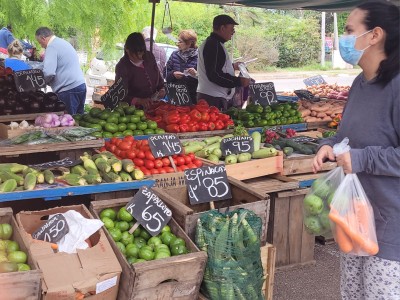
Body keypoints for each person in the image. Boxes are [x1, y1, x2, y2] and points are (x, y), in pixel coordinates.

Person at [313, 2, 399, 299]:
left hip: (390, 230)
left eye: (350, 31)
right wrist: (328, 145)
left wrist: (361, 159)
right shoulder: (360, 84)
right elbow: (348, 136)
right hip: (354, 221)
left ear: (375, 35)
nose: (344, 39)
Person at [197, 14, 250, 110]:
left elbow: (214, 66)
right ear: (222, 28)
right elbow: (214, 74)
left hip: (213, 95)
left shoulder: (215, 43)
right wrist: (238, 81)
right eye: (232, 28)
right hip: (213, 98)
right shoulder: (213, 45)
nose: (233, 32)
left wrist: (232, 66)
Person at [35, 27, 86, 115]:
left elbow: (48, 72)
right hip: (80, 86)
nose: (41, 45)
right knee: (79, 121)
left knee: (68, 123)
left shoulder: (52, 47)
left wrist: (41, 84)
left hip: (68, 90)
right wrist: (34, 69)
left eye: (40, 42)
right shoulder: (62, 42)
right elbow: (45, 64)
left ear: (43, 38)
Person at [115, 32, 165, 110]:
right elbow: (120, 94)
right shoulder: (122, 67)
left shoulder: (149, 57)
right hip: (133, 111)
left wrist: (162, 89)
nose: (140, 56)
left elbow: (158, 77)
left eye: (141, 53)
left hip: (153, 106)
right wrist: (138, 100)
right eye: (136, 54)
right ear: (127, 50)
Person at [164, 29, 198, 102]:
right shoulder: (174, 54)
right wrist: (173, 75)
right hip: (174, 95)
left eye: (180, 41)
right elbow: (165, 73)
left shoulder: (200, 57)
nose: (177, 44)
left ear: (189, 43)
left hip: (192, 97)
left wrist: (196, 74)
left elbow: (205, 79)